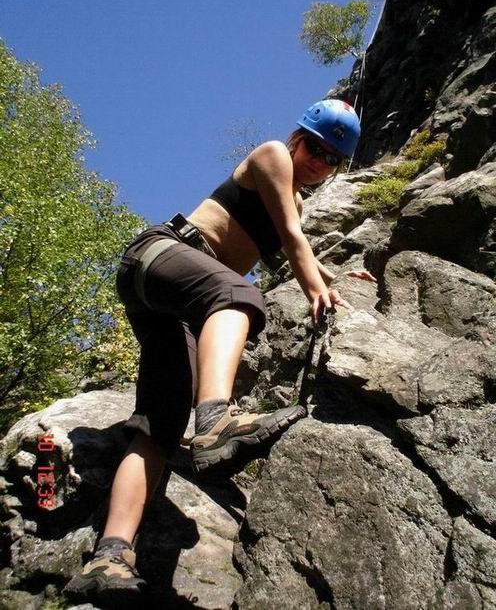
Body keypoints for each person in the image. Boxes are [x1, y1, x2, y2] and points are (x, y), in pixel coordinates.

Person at [64, 99, 376, 605]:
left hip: (174, 306)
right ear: (297, 138)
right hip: (160, 256)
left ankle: (109, 556)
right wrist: (318, 290)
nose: (320, 162)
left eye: (332, 159)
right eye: (316, 148)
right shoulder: (272, 155)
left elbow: (294, 248)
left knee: (160, 427)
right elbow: (292, 238)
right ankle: (215, 419)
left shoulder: (295, 202)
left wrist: (337, 279)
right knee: (236, 293)